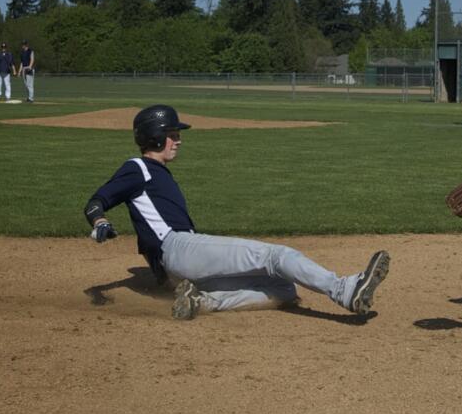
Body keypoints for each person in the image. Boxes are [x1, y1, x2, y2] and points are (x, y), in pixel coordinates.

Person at [83, 104, 390, 320]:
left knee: (284, 288)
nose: (179, 140)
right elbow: (97, 201)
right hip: (177, 247)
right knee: (276, 257)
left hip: (174, 270)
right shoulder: (137, 167)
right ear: (155, 137)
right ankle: (344, 290)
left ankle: (200, 302)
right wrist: (100, 223)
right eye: (173, 134)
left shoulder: (157, 173)